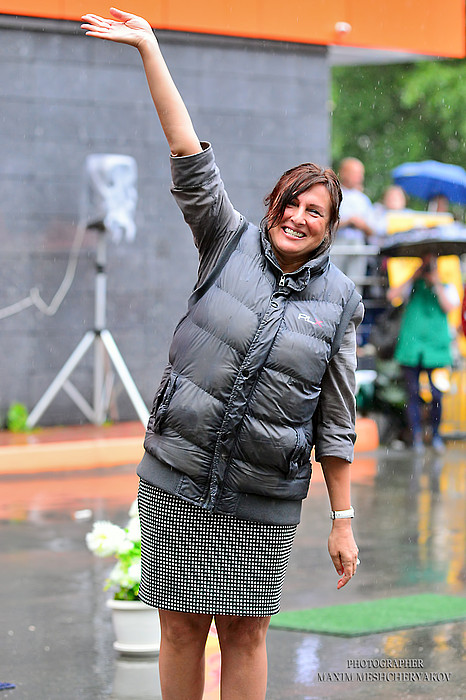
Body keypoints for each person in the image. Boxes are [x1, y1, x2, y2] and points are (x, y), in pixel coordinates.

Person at [81, 9, 362, 699]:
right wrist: (150, 48)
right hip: (178, 476)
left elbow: (336, 419)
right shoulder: (226, 241)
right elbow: (188, 152)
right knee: (179, 627)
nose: (297, 217)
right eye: (290, 203)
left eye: (314, 212)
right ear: (272, 204)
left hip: (264, 496)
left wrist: (342, 521)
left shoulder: (340, 300)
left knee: (245, 633)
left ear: (330, 228)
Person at [387, 254, 459, 454]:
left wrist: (436, 283)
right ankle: (416, 436)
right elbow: (392, 296)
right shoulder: (412, 286)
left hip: (437, 349)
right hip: (412, 347)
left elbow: (449, 306)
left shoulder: (446, 287)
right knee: (412, 394)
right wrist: (413, 276)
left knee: (437, 394)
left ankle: (435, 435)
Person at [331, 157, 376, 292]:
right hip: (337, 244)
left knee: (355, 284)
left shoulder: (363, 200)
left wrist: (362, 225)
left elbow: (373, 230)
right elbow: (325, 224)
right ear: (343, 172)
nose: (359, 177)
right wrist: (348, 221)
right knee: (333, 282)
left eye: (360, 174)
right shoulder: (333, 195)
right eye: (355, 173)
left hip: (358, 245)